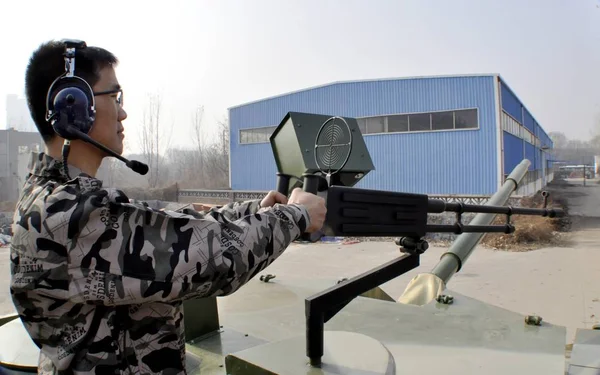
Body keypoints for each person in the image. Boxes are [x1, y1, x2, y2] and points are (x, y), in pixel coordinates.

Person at [10, 39, 327, 375]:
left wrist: (251, 211)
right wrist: (297, 215)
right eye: (114, 97)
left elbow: (166, 221)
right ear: (73, 104)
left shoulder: (56, 197)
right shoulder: (69, 216)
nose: (123, 111)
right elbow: (215, 257)